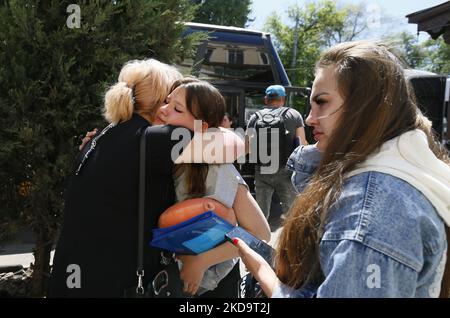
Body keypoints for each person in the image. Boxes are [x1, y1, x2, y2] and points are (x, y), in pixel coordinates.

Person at [233, 41, 450, 298]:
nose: (310, 118)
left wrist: (262, 272)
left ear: (366, 106)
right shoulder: (403, 171)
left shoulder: (373, 206)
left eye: (322, 102)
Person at [48, 59, 245, 297]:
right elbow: (235, 145)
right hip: (116, 283)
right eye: (170, 99)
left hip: (68, 279)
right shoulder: (156, 139)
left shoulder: (98, 139)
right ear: (162, 101)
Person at [156, 78, 270, 296]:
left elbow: (260, 234)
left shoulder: (217, 167)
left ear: (202, 127)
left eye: (176, 108)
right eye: (166, 102)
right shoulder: (160, 155)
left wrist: (200, 262)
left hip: (215, 286)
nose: (163, 110)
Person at [246, 84, 307, 220]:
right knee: (291, 213)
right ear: (283, 99)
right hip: (286, 170)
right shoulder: (293, 114)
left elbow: (247, 147)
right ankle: (291, 240)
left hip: (262, 169)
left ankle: (259, 239)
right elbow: (302, 144)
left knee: (261, 214)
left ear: (266, 100)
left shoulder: (254, 117)